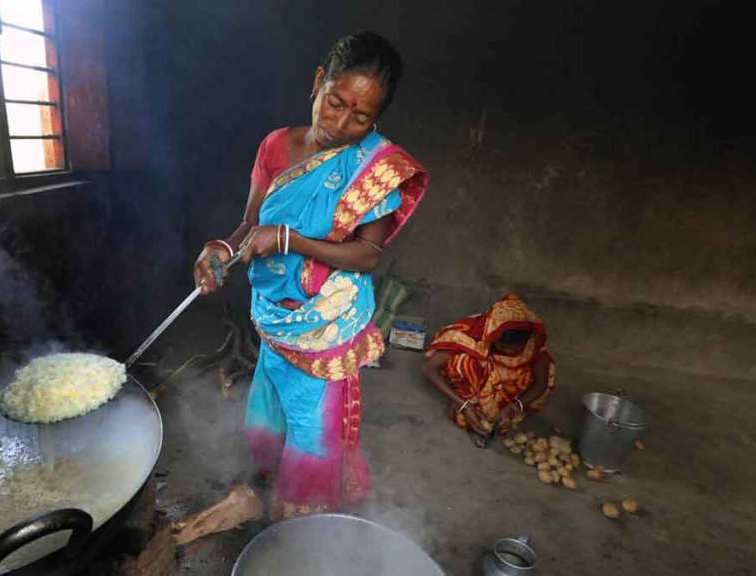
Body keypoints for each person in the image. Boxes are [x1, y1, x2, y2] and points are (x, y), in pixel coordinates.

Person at [192, 31, 428, 520]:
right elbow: (249, 224)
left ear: (376, 119)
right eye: (335, 102)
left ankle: (304, 519)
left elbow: (366, 255)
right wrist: (221, 249)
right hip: (276, 320)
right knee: (270, 409)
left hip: (325, 326)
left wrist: (289, 240)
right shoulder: (276, 146)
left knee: (311, 429)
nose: (341, 124)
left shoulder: (373, 167)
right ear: (318, 82)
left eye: (361, 117)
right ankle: (270, 489)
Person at [422, 294, 556, 447]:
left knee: (547, 371)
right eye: (502, 347)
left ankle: (496, 410)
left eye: (514, 350)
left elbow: (541, 383)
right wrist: (463, 405)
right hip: (477, 381)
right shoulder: (472, 334)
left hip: (505, 387)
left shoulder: (534, 345)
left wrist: (514, 407)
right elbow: (429, 369)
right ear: (493, 335)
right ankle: (463, 400)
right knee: (465, 362)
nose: (506, 352)